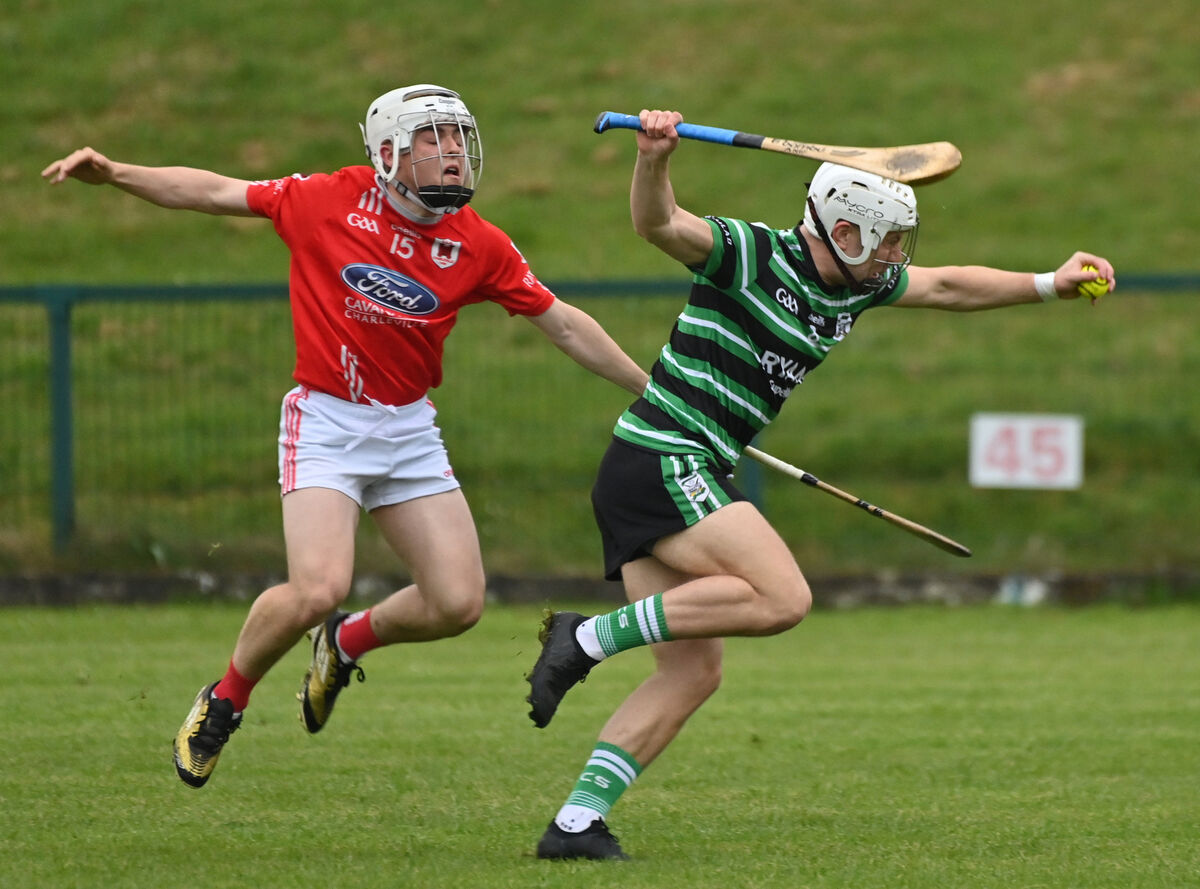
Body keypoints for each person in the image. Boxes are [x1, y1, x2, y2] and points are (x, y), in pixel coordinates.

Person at [524, 108, 1117, 860]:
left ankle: (574, 825)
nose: (900, 256)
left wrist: (1049, 283)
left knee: (693, 670)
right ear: (846, 232)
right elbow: (661, 226)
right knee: (782, 597)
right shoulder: (752, 253)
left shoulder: (857, 285)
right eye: (891, 241)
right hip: (665, 456)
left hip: (677, 465)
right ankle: (587, 635)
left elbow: (949, 287)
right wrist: (653, 158)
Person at [43, 84, 649, 789]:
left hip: (408, 427)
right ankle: (224, 701)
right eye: (433, 138)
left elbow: (566, 324)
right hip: (327, 419)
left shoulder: (478, 244)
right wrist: (117, 173)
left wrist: (647, 385)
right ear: (389, 150)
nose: (453, 152)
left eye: (458, 138)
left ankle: (345, 641)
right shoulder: (324, 200)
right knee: (317, 584)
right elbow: (211, 190)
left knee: (458, 603)